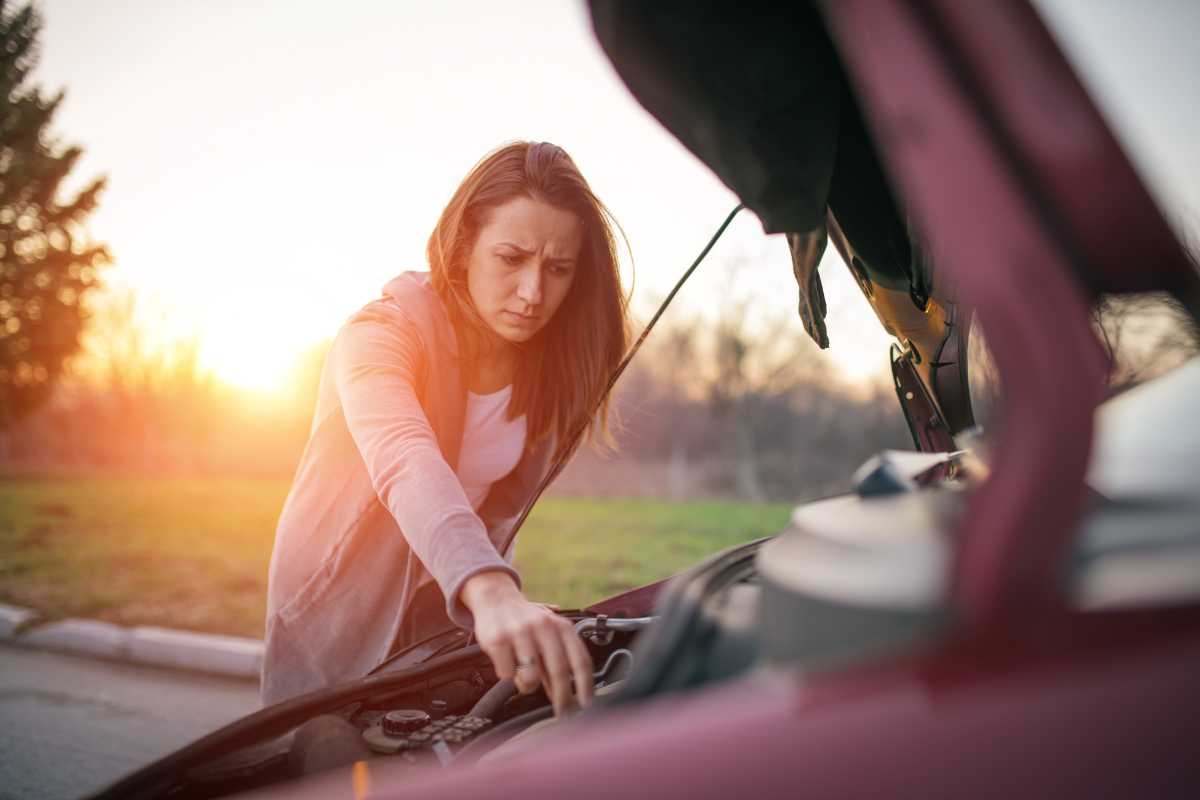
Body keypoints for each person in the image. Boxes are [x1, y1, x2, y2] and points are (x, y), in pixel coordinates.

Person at [261, 141, 631, 715]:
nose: (533, 293)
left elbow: (497, 509)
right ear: (464, 246)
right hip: (339, 611)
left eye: (558, 269)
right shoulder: (379, 334)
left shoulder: (551, 365)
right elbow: (405, 457)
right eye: (511, 258)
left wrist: (494, 602)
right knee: (324, 757)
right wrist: (490, 586)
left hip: (447, 614)